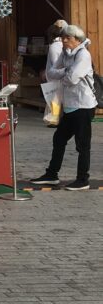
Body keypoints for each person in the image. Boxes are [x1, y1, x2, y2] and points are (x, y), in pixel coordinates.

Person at [31, 23, 96, 191]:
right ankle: (52, 174)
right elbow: (51, 73)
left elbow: (72, 79)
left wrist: (65, 73)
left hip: (83, 105)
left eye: (68, 38)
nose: (64, 40)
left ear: (77, 40)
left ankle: (83, 179)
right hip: (69, 105)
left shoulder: (83, 55)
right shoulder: (66, 54)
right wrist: (67, 70)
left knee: (82, 145)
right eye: (63, 37)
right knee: (59, 138)